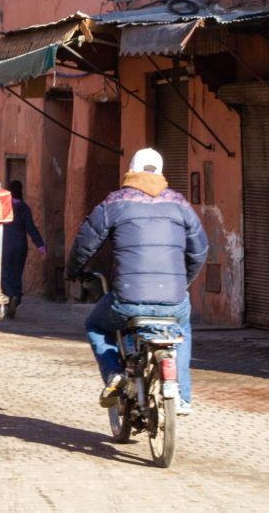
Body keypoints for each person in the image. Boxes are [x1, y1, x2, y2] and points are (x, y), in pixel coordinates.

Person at [67, 148, 208, 416]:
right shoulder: (181, 205)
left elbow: (85, 243)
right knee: (182, 328)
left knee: (95, 325)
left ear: (130, 171)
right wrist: (183, 282)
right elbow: (200, 250)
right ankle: (182, 394)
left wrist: (73, 269)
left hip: (128, 301)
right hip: (173, 301)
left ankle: (114, 374)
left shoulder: (114, 203)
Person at [1, 180, 46, 319]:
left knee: (5, 273)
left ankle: (10, 296)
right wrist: (40, 246)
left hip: (5, 245)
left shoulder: (3, 207)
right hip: (20, 245)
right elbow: (31, 228)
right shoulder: (25, 208)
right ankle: (16, 297)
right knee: (17, 273)